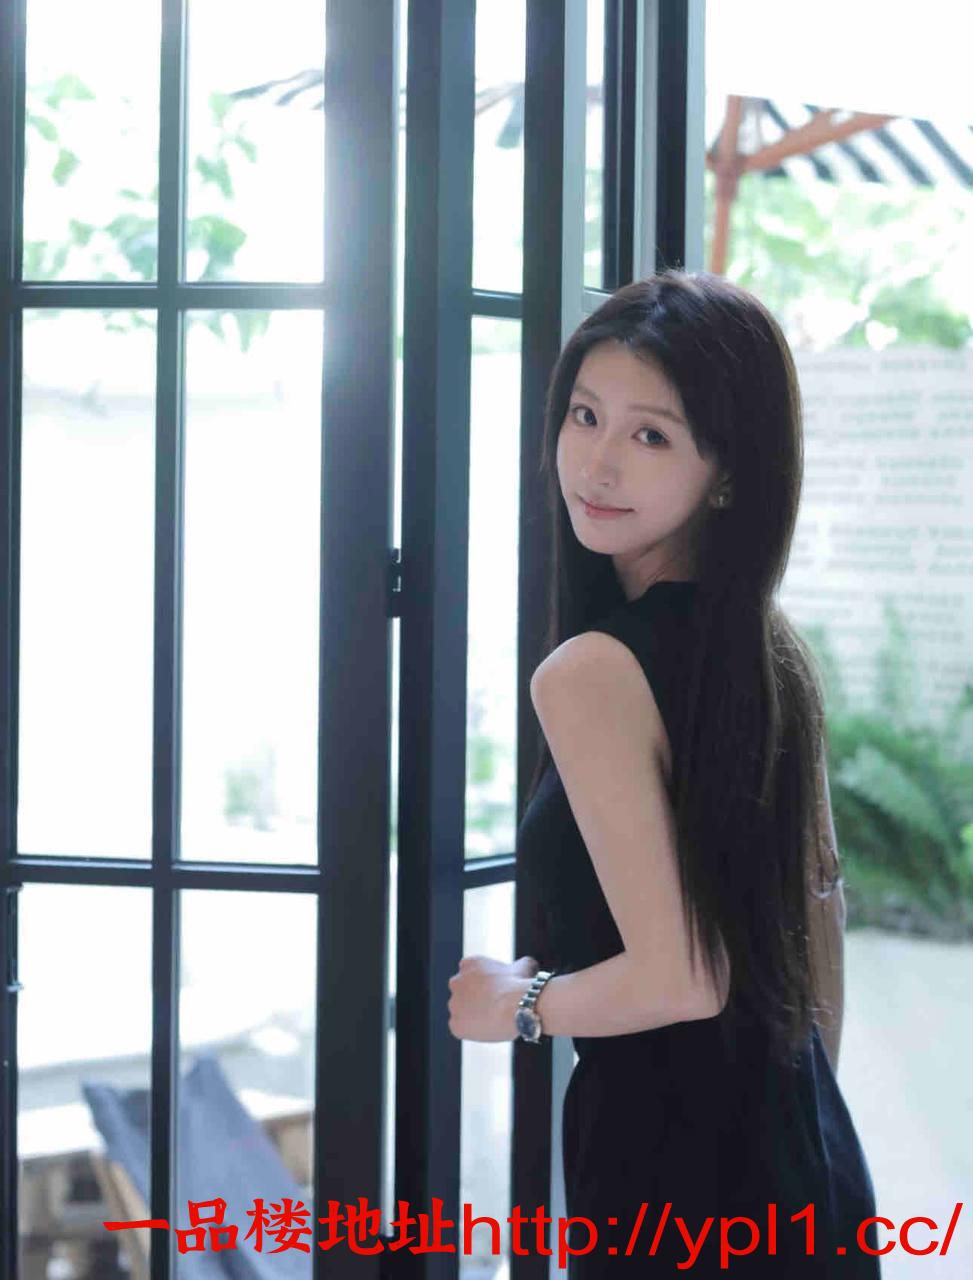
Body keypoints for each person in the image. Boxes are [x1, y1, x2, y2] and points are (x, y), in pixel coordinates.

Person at [446, 270, 882, 1276]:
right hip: (804, 1151)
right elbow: (819, 915)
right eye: (584, 415)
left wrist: (519, 1003)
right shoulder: (769, 650)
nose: (597, 462)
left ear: (724, 472)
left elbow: (685, 974)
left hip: (671, 1179)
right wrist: (789, 1131)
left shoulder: (592, 672)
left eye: (650, 435)